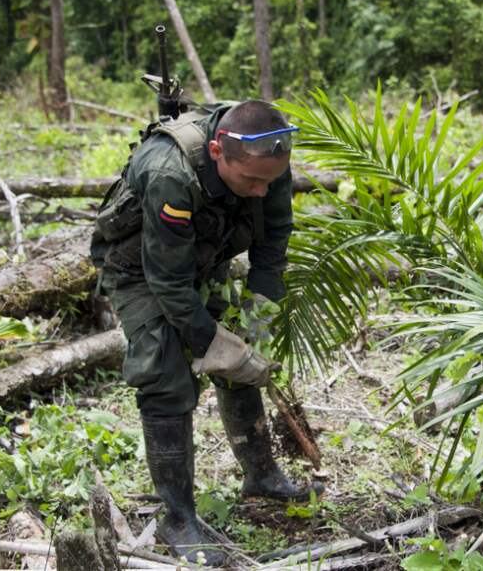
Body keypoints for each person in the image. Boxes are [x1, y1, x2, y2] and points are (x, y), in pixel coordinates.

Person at [90, 100, 322, 565]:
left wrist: (255, 319)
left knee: (242, 353)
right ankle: (178, 518)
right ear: (217, 151)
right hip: (140, 269)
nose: (260, 192)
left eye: (269, 182)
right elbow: (169, 283)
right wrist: (211, 344)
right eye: (250, 182)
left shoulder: (269, 159)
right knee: (165, 373)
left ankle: (261, 473)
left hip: (203, 255)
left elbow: (273, 243)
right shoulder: (170, 173)